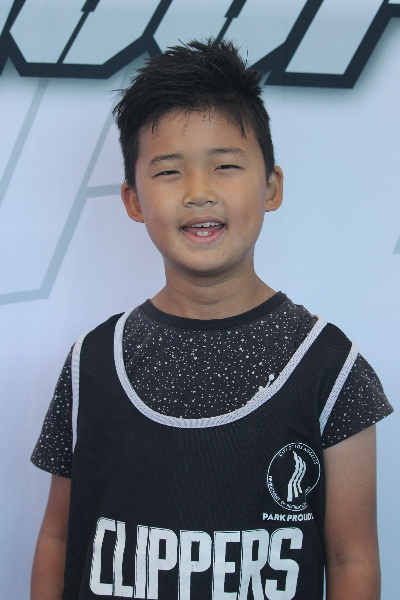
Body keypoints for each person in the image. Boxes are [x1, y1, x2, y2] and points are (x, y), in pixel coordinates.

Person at [30, 39, 392, 600]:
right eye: (169, 171)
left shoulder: (331, 369)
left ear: (271, 186)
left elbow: (353, 559)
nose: (199, 193)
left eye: (225, 166)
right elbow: (58, 535)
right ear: (133, 199)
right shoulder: (92, 362)